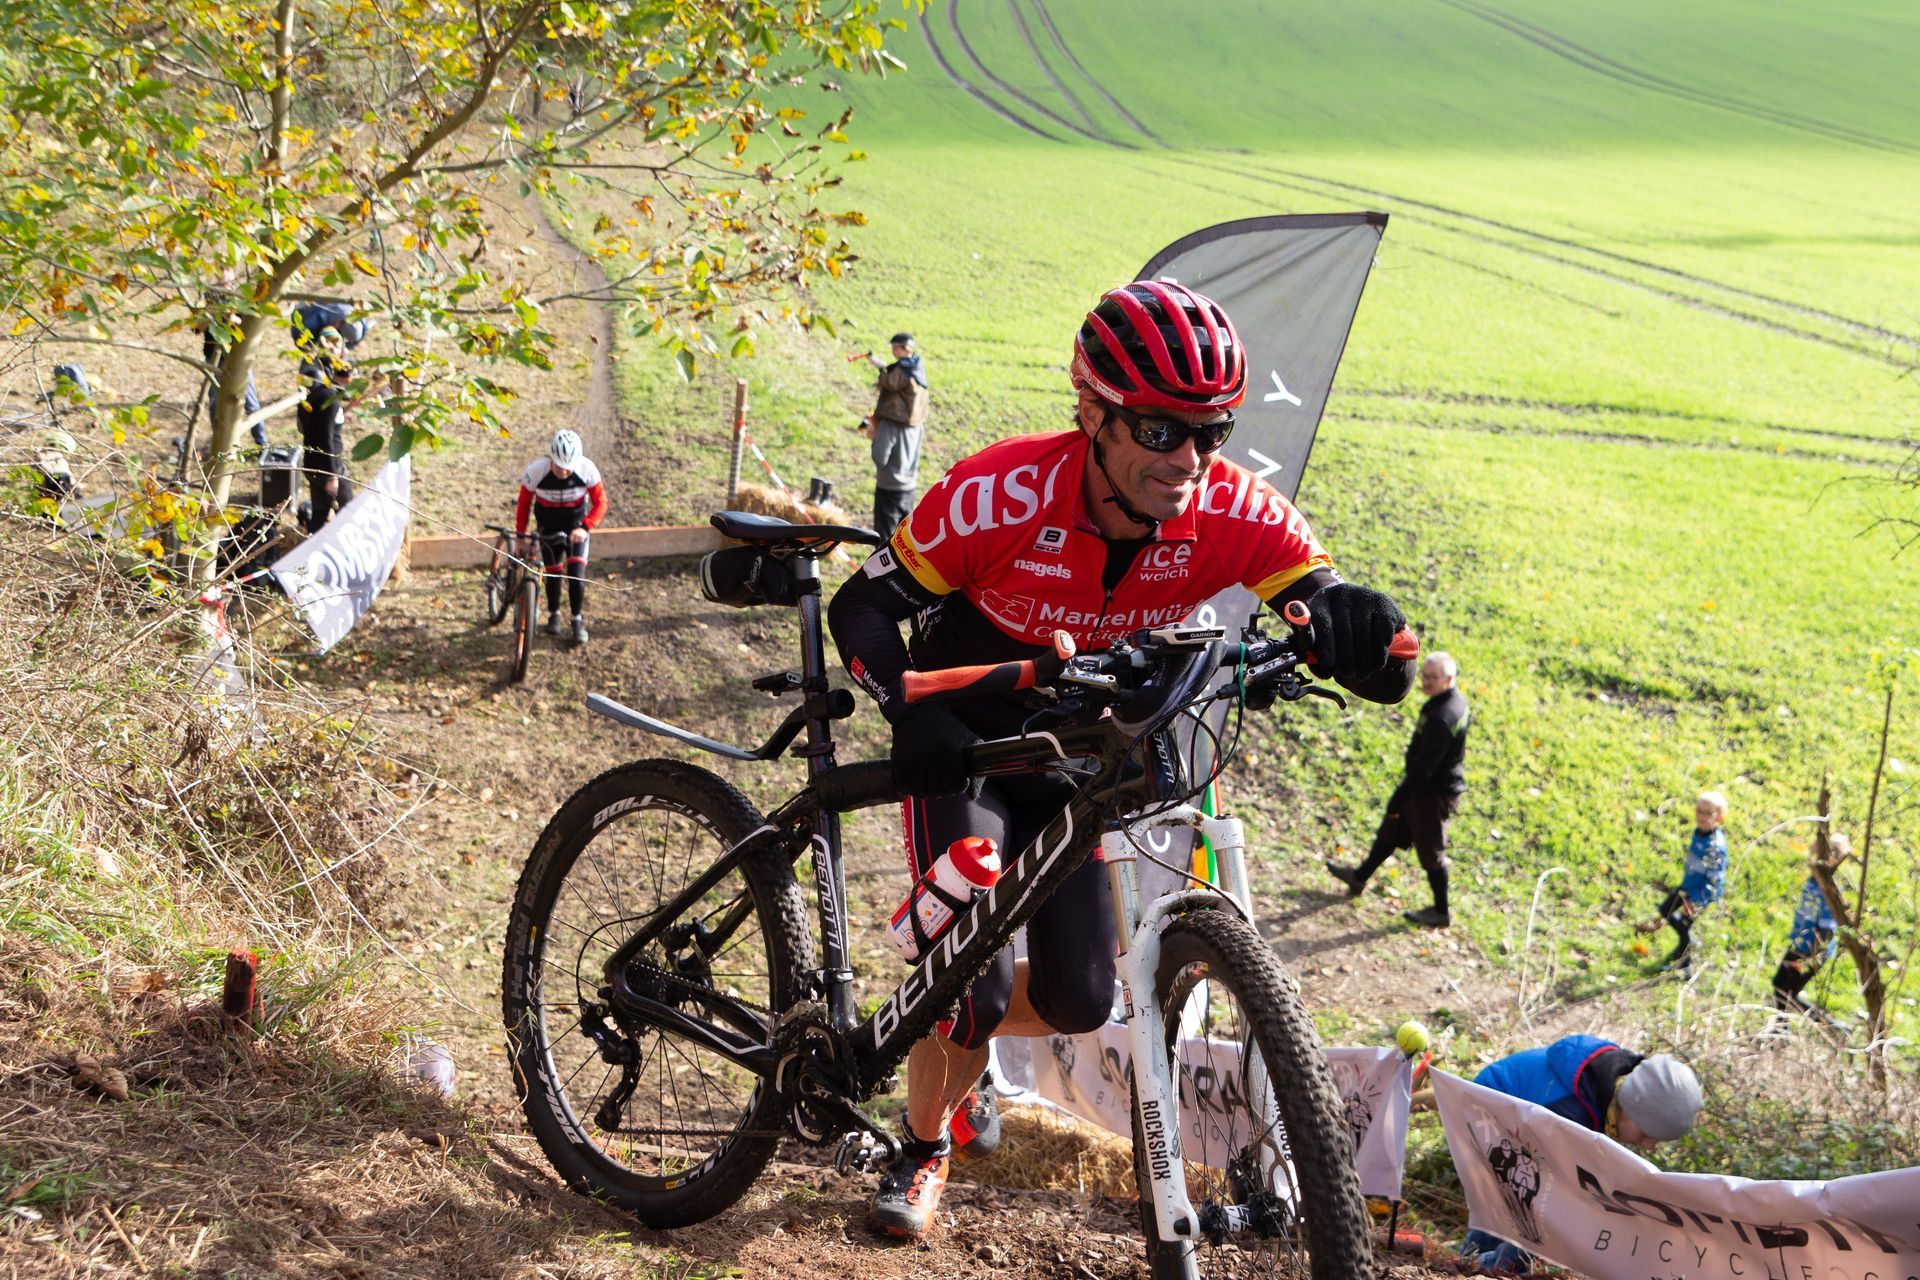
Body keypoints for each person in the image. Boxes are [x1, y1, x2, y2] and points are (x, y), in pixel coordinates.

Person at [827, 280, 1415, 1239]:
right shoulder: (1000, 493)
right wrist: (907, 709)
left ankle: (944, 1040)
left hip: (1079, 755)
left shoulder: (1227, 507)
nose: (1188, 459)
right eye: (1158, 429)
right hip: (969, 743)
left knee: (1078, 998)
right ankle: (923, 1142)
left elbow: (1331, 606)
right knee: (971, 990)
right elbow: (862, 608)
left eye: (1211, 432)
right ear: (1092, 411)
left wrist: (1362, 629)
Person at [1463, 1035, 1702, 1273]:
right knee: (1543, 1217)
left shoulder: (1611, 1087)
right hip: (1485, 1114)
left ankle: (1470, 1257)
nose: (1649, 1145)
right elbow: (1546, 1195)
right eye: (1646, 1134)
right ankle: (1483, 1267)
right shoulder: (1570, 1112)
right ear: (1631, 1109)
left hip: (1525, 1123)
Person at [1325, 651, 1469, 927]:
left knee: (1432, 853)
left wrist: (1400, 796)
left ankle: (1441, 911)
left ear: (1449, 678)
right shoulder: (1454, 702)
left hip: (1432, 794)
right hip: (1423, 788)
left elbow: (1425, 766)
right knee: (1391, 832)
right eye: (1424, 675)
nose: (1425, 681)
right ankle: (1359, 877)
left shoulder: (1444, 716)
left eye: (1432, 677)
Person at [514, 428, 607, 646]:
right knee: (553, 574)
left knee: (577, 577)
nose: (564, 472)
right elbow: (524, 505)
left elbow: (601, 503)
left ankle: (577, 620)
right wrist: (520, 536)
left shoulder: (587, 469)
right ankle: (553, 614)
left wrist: (585, 527)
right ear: (551, 459)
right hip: (548, 527)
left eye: (568, 467)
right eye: (559, 466)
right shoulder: (536, 471)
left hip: (577, 528)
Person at [1636, 790, 1729, 971]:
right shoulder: (1700, 832)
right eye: (1699, 811)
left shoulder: (1714, 846)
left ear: (1719, 817)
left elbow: (1715, 878)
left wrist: (1698, 901)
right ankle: (1687, 943)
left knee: (1686, 927)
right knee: (1666, 909)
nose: (1701, 816)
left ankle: (1686, 965)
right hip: (1688, 886)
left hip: (1699, 894)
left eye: (1707, 813)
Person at [1771, 833, 1847, 1019]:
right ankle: (1781, 1028)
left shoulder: (1828, 890)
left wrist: (1808, 959)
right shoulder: (1813, 881)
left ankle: (1831, 1026)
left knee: (1787, 992)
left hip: (1810, 951)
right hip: (1800, 944)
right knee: (1780, 985)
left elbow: (1826, 931)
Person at [860, 332, 927, 539]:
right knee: (903, 544)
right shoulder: (917, 423)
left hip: (888, 487)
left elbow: (880, 458)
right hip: (910, 488)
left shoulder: (889, 424)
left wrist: (874, 437)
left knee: (884, 543)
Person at [296, 327, 355, 530]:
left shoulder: (315, 394)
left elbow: (312, 425)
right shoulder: (329, 398)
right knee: (347, 515)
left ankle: (312, 544)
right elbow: (326, 438)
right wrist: (332, 476)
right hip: (328, 468)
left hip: (312, 465)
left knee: (319, 517)